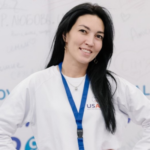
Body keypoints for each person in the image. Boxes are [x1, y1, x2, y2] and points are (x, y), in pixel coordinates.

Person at [0, 2, 150, 150]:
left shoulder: (113, 86)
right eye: (83, 31)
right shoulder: (38, 84)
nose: (90, 42)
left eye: (98, 36)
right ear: (65, 35)